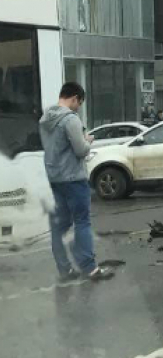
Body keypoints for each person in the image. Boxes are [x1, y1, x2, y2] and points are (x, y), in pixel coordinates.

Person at [40, 82, 113, 282]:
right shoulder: (70, 119)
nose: (78, 107)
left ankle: (65, 270)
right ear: (74, 98)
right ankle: (90, 269)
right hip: (74, 178)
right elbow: (80, 150)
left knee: (59, 226)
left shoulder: (44, 119)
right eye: (79, 102)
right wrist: (87, 140)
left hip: (55, 179)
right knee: (82, 222)